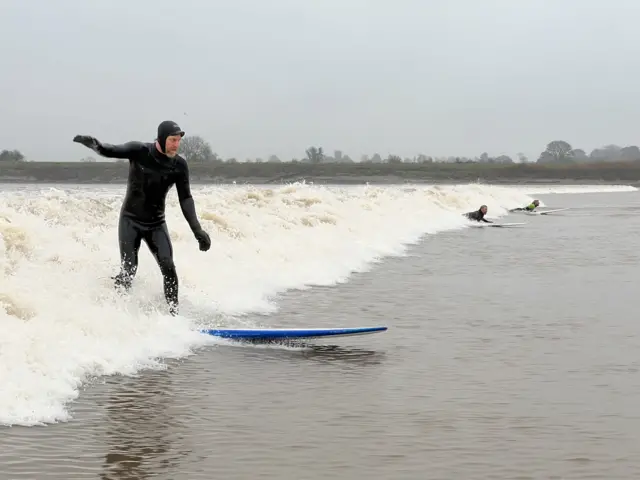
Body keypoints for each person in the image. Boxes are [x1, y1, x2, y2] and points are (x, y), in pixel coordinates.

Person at [72, 120, 211, 316]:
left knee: (168, 266)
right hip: (130, 220)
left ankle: (174, 316)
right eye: (172, 140)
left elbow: (186, 198)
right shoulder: (139, 151)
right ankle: (114, 311)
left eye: (178, 140)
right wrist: (96, 145)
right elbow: (112, 150)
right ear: (161, 139)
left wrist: (197, 230)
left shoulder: (179, 165)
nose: (176, 144)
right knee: (129, 269)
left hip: (156, 223)